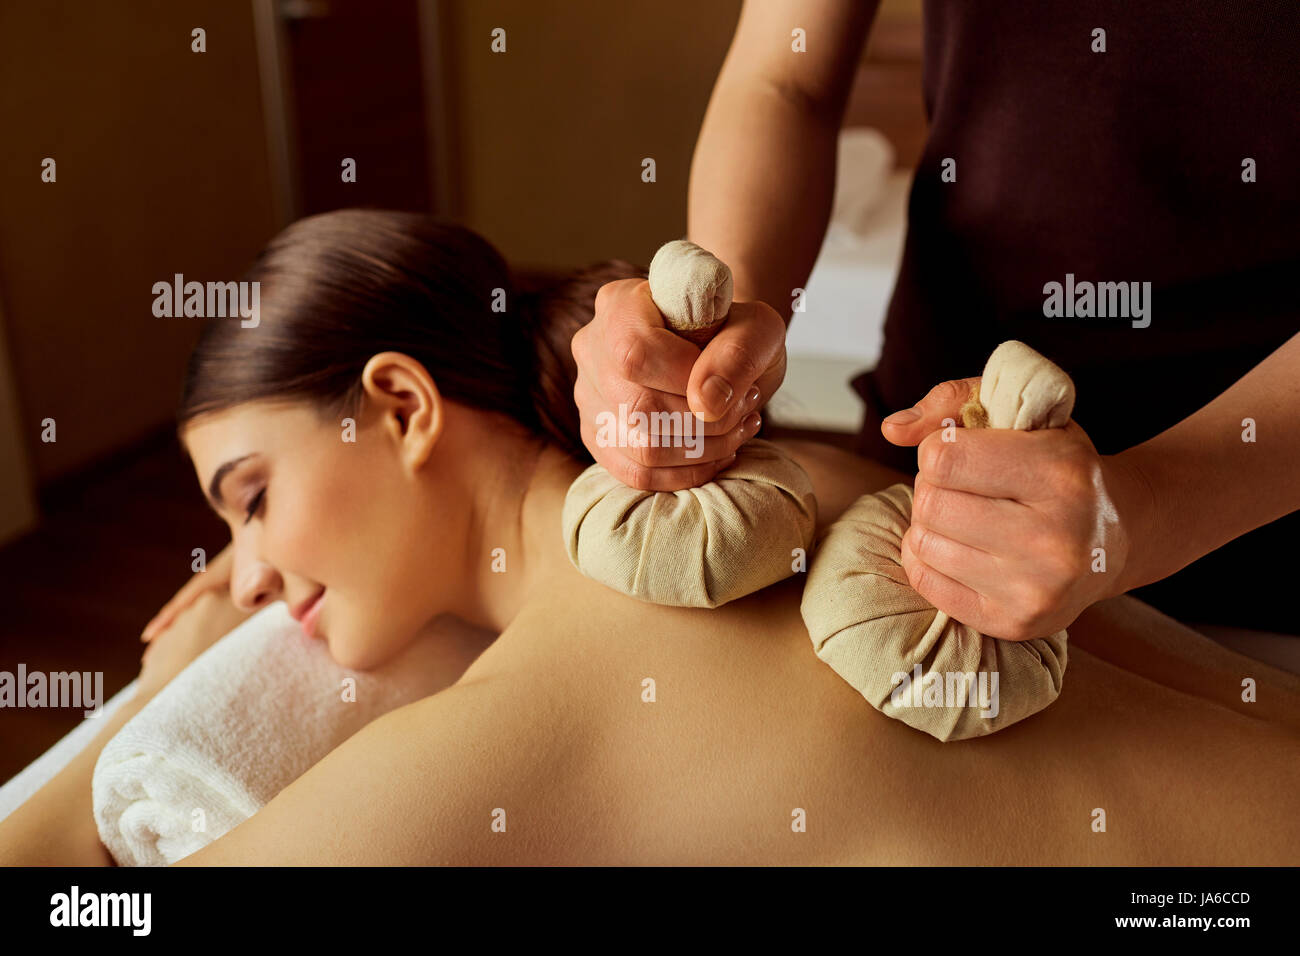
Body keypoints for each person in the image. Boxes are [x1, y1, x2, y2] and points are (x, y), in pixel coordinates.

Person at [1, 210, 1296, 865]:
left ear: (399, 405)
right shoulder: (806, 477)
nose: (252, 575)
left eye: (248, 499)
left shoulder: (512, 734)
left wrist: (152, 699)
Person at [573, 0, 1300, 638]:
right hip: (922, 467)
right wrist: (724, 340)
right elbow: (786, 81)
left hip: (1259, 522)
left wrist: (1145, 509)